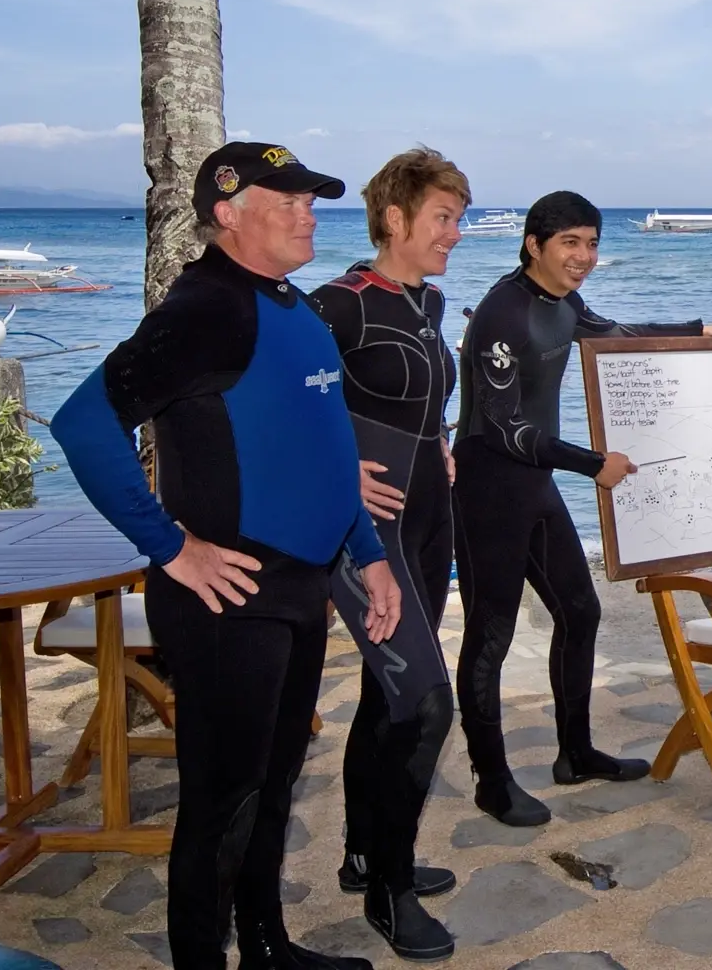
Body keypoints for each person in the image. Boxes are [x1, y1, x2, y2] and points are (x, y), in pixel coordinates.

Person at [53, 142, 402, 970]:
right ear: (228, 213)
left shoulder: (290, 305)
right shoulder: (207, 307)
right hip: (229, 599)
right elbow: (83, 422)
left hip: (300, 585)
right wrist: (171, 547)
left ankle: (269, 946)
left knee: (273, 784)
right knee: (220, 803)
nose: (309, 212)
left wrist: (370, 552)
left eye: (311, 200)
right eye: (288, 201)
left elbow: (322, 449)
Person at [453, 191, 712, 827]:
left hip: (531, 487)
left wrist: (698, 331)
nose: (584, 256)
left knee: (579, 612)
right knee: (490, 637)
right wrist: (594, 464)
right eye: (570, 244)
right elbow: (501, 427)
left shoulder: (563, 303)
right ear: (534, 244)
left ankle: (575, 753)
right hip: (487, 491)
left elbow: (616, 334)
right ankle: (491, 781)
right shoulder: (502, 315)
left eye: (591, 243)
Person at [309, 149, 470, 962]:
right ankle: (389, 893)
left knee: (388, 694)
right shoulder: (338, 304)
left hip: (427, 521)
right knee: (423, 704)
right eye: (443, 218)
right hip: (366, 537)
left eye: (459, 218)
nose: (455, 233)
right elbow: (281, 406)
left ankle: (365, 851)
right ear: (394, 220)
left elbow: (421, 399)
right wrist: (338, 470)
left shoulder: (428, 302)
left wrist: (438, 447)